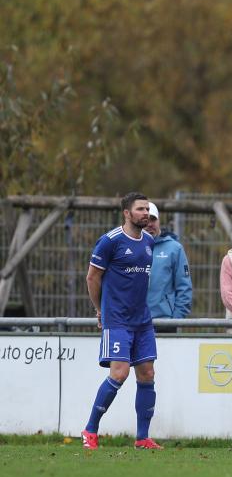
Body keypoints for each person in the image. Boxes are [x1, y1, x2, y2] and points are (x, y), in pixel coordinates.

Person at [82, 192, 161, 450]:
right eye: (140, 209)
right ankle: (90, 430)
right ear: (127, 213)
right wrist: (100, 310)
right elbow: (92, 278)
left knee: (147, 374)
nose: (146, 214)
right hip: (117, 320)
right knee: (120, 373)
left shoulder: (149, 241)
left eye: (147, 209)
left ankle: (142, 438)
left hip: (143, 321)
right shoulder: (110, 241)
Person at [145, 202, 192, 333]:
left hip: (164, 323)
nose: (150, 224)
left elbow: (184, 288)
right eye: (146, 220)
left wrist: (174, 321)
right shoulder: (129, 247)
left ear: (159, 221)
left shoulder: (174, 248)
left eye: (153, 219)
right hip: (134, 323)